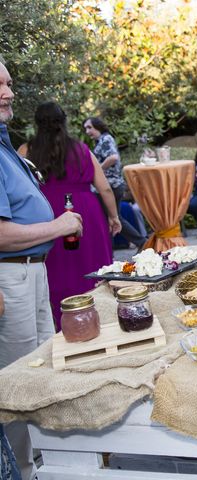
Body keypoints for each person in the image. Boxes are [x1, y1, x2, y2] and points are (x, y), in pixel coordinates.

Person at [0, 60, 83, 480]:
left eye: (9, 83)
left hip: (31, 271)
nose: (8, 93)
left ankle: (38, 460)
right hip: (10, 278)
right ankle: (19, 471)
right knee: (16, 380)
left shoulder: (5, 145)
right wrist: (61, 225)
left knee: (41, 366)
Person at [24, 102, 121, 330]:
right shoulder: (81, 149)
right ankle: (102, 318)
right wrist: (113, 217)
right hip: (85, 212)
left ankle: (61, 324)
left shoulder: (26, 151)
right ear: (64, 121)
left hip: (48, 214)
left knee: (57, 269)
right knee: (92, 265)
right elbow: (105, 188)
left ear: (37, 123)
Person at [83, 117, 146, 250]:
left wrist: (98, 170)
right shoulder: (101, 141)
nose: (87, 131)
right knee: (113, 218)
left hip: (111, 186)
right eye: (85, 128)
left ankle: (140, 243)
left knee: (111, 218)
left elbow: (113, 157)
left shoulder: (105, 139)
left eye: (89, 127)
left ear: (97, 126)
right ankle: (141, 243)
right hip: (112, 185)